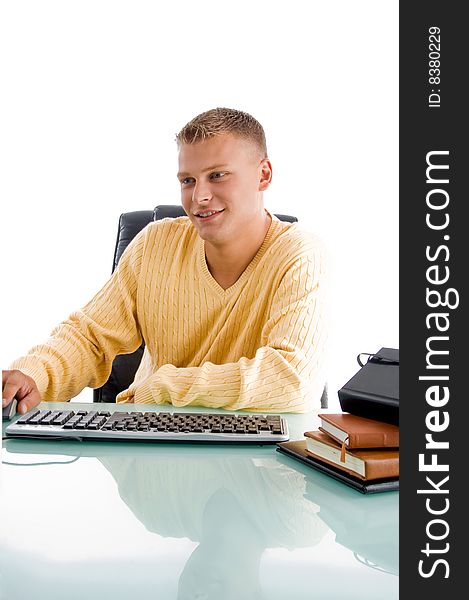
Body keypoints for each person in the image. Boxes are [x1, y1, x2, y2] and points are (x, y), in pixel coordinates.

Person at [2, 107, 329, 415]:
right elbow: (89, 336)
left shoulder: (300, 255)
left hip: (259, 461)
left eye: (217, 175)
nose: (199, 196)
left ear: (263, 175)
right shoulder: (155, 245)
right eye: (188, 180)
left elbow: (291, 383)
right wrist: (33, 376)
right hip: (152, 449)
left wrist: (157, 387)